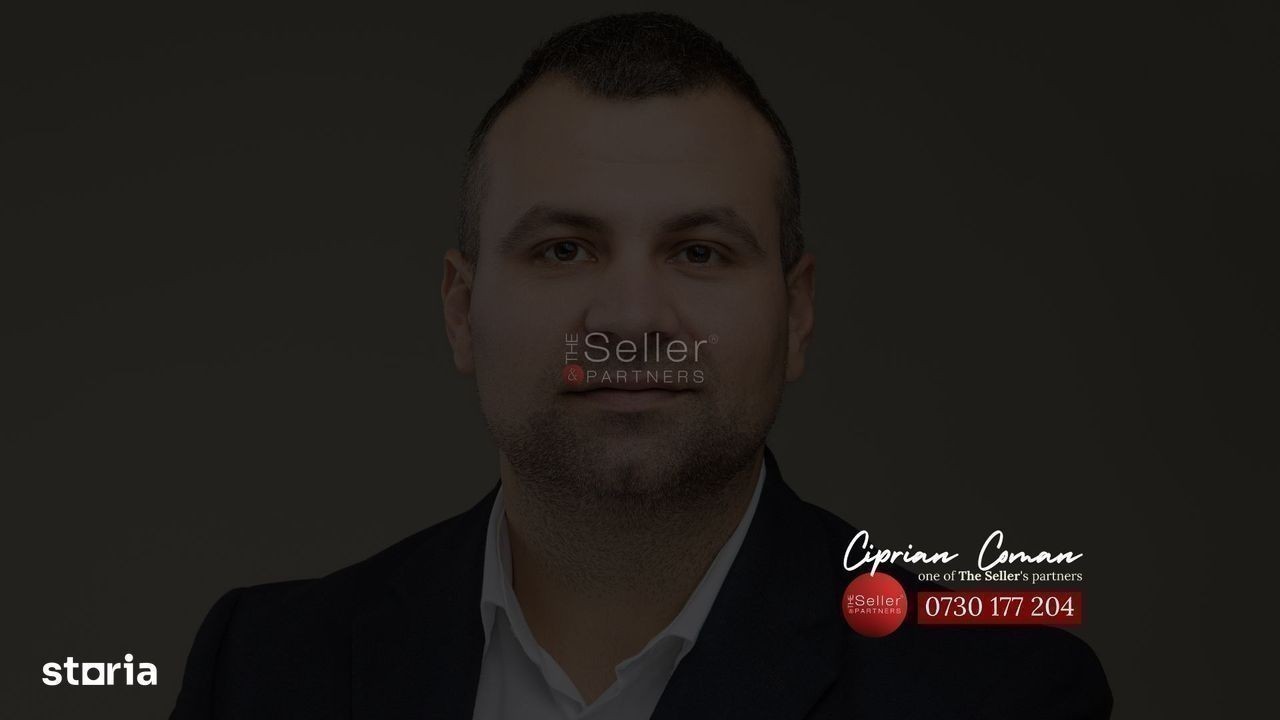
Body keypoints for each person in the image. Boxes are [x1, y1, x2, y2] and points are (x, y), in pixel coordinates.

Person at [171, 12, 1111, 719]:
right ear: (461, 311)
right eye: (564, 250)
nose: (629, 318)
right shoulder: (260, 670)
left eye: (699, 252)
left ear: (797, 315)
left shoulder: (997, 693)